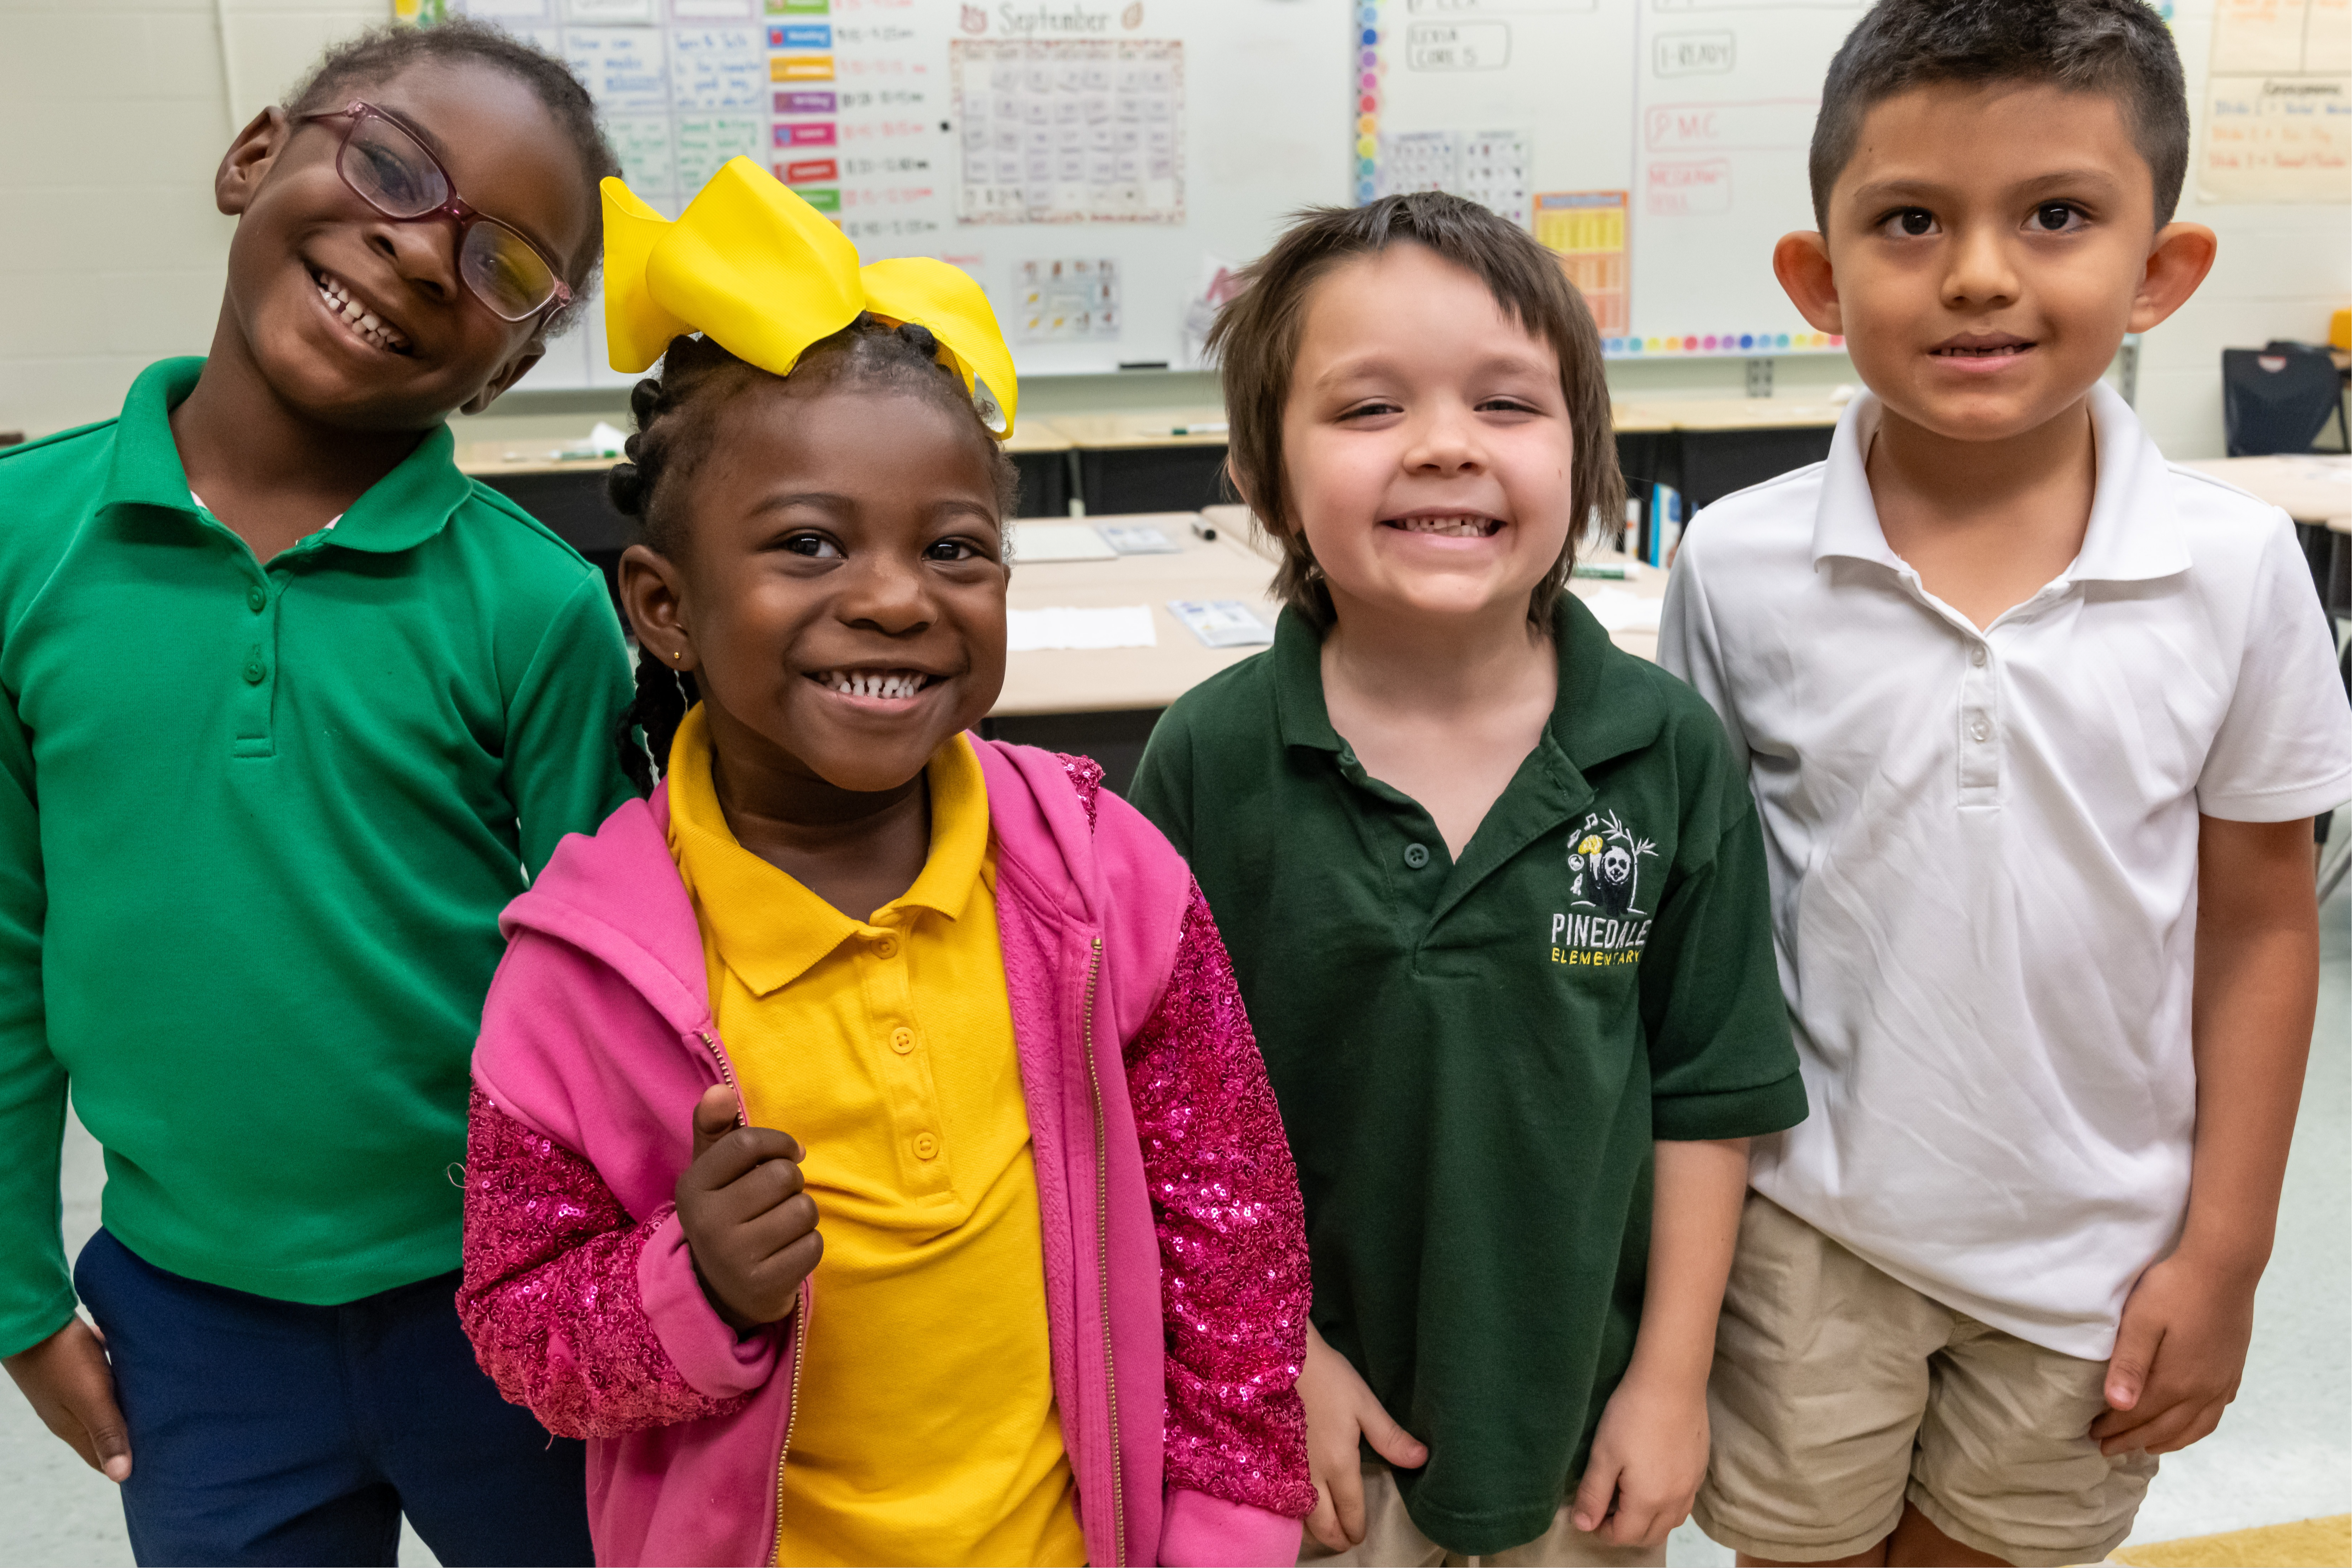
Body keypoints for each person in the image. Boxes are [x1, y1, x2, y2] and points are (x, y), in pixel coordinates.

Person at [456, 158, 1315, 1568]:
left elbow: (1236, 1237)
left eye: (956, 548)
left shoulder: (1107, 879)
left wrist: (1227, 1533)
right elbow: (524, 1331)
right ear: (664, 608)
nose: (898, 597)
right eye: (807, 544)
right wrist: (698, 1288)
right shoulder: (579, 974)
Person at [1658, 4, 2352, 1566]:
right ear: (1819, 280)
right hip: (1806, 1236)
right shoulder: (1741, 563)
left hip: (2099, 1254)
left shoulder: (2238, 573)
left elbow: (2260, 928)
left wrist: (2227, 1252)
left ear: (2162, 269)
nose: (1979, 273)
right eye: (1912, 220)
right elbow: (1699, 928)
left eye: (2057, 214)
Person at [0, 20, 632, 1567]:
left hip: (504, 1308)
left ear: (515, 365)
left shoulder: (541, 612)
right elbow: (6, 948)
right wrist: (18, 1297)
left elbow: (610, 999)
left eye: (505, 269)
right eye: (392, 167)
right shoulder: (23, 538)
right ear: (253, 154)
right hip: (192, 1324)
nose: (424, 253)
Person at [1126, 192, 1807, 1568]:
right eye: (1370, 411)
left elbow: (1708, 1101)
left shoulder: (1665, 755)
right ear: (1264, 480)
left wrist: (1672, 1384)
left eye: (1507, 405)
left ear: (1586, 460)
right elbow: (1151, 1113)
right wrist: (1279, 1355)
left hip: (1579, 1444)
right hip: (1308, 1443)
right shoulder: (1208, 760)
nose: (1445, 446)